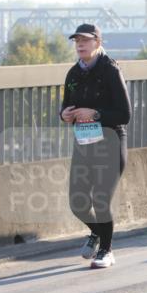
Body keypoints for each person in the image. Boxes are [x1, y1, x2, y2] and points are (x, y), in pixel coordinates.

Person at [59, 23, 132, 269]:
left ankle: (106, 250)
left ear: (97, 43)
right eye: (77, 40)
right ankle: (97, 232)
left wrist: (96, 113)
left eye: (86, 40)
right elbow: (65, 105)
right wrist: (65, 114)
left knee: (100, 200)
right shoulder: (73, 74)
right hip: (84, 143)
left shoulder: (110, 70)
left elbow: (124, 113)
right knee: (78, 203)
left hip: (111, 141)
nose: (80, 44)